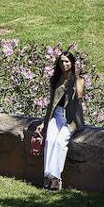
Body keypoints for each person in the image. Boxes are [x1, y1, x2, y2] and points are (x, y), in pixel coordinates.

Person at [33, 51, 85, 191]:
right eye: (61, 62)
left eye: (67, 61)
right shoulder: (56, 79)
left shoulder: (78, 79)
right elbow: (51, 103)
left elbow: (79, 97)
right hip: (56, 115)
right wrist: (44, 122)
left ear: (72, 63)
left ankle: (56, 178)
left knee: (60, 142)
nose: (64, 64)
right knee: (50, 140)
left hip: (71, 118)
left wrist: (76, 77)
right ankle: (47, 176)